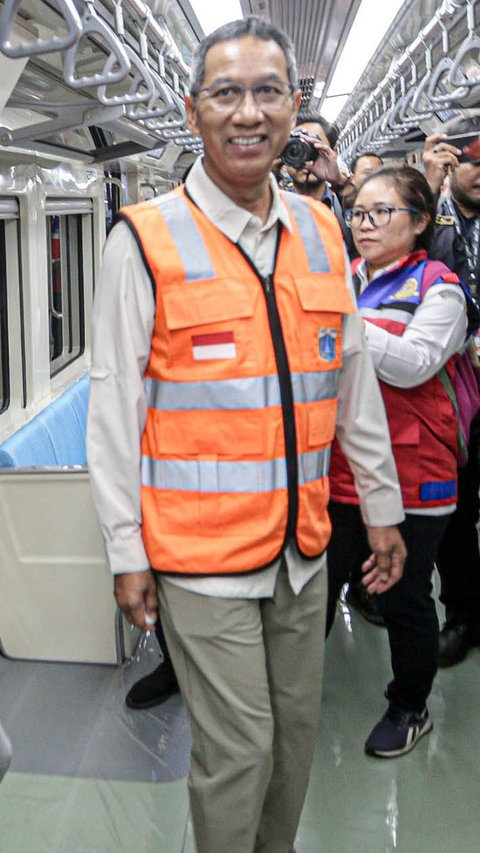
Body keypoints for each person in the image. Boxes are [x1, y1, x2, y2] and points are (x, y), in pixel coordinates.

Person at [87, 16, 407, 852]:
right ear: (195, 113)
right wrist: (126, 550)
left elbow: (352, 381)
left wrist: (381, 504)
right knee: (241, 752)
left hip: (302, 547)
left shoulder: (320, 231)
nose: (248, 112)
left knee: (295, 742)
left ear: (294, 107)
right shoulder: (144, 242)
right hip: (199, 557)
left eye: (268, 92)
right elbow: (114, 408)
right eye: (226, 93)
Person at [327, 165, 467, 758]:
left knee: (405, 593)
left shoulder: (440, 289)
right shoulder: (345, 276)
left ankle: (410, 705)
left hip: (415, 471)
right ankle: (291, 693)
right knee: (318, 584)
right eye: (359, 211)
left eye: (381, 212)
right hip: (341, 469)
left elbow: (414, 363)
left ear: (418, 222)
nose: (364, 222)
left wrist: (341, 321)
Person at [423, 130, 480, 667]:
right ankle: (464, 614)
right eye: (473, 161)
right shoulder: (436, 222)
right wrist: (435, 192)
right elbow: (433, 271)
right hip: (460, 387)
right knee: (459, 512)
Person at [282, 111, 354, 252]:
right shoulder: (273, 211)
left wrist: (341, 183)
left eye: (314, 147)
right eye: (296, 148)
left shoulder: (347, 206)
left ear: (334, 153)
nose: (306, 157)